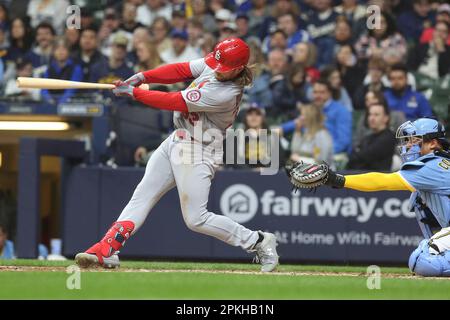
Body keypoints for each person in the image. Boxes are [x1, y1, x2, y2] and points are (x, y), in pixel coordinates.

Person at [75, 37, 279, 273]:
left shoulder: (226, 93)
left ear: (237, 69)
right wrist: (143, 77)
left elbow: (174, 101)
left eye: (223, 68)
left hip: (199, 150)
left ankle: (258, 241)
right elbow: (181, 70)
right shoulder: (217, 64)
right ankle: (106, 249)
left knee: (196, 219)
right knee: (142, 195)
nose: (216, 68)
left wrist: (134, 93)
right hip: (178, 139)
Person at [301, 118, 450, 277]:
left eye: (414, 140)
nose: (408, 145)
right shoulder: (440, 163)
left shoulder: (432, 165)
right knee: (419, 209)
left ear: (433, 143)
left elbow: (382, 181)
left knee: (421, 259)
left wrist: (338, 179)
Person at [347, 102, 396, 171]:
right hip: (359, 174)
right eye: (370, 114)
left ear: (386, 118)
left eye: (376, 115)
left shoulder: (388, 137)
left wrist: (358, 153)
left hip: (376, 178)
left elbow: (365, 156)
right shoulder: (367, 137)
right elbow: (353, 156)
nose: (371, 118)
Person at [41, 37, 83, 105]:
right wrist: (50, 101)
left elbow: (72, 90)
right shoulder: (49, 69)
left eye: (63, 49)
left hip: (70, 106)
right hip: (50, 105)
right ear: (53, 52)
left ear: (68, 51)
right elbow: (44, 89)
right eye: (57, 49)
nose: (60, 52)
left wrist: (60, 103)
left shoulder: (76, 68)